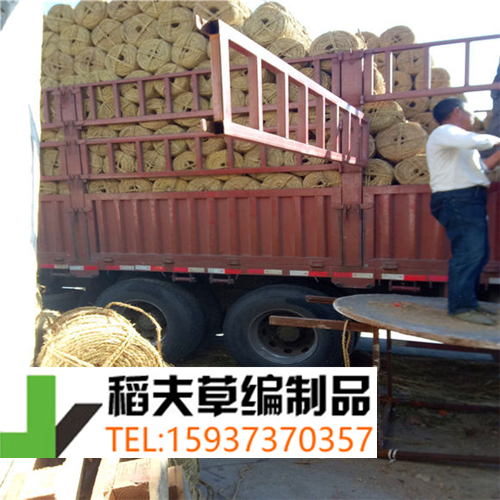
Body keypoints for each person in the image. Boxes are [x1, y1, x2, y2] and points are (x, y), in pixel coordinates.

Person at [426, 97, 500, 325]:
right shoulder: (445, 132)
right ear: (457, 111)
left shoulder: (458, 142)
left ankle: (469, 303)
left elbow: (481, 169)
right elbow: (476, 141)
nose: (473, 117)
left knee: (478, 253)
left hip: (467, 199)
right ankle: (461, 307)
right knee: (469, 252)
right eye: (469, 112)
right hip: (457, 198)